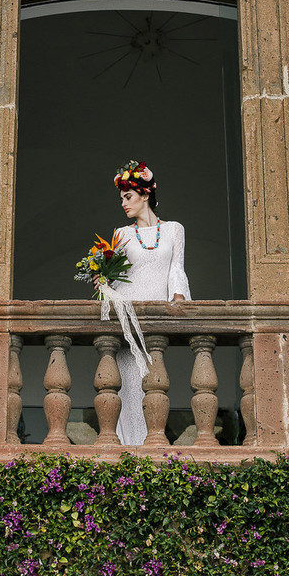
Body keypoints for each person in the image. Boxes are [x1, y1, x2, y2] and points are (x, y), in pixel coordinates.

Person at [110, 160, 191, 445]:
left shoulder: (174, 230)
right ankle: (128, 448)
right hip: (128, 316)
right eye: (121, 199)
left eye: (128, 197)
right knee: (128, 386)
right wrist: (101, 280)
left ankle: (150, 445)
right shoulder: (122, 234)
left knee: (154, 382)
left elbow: (176, 269)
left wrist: (178, 299)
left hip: (157, 317)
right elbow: (114, 274)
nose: (123, 203)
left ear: (145, 195)